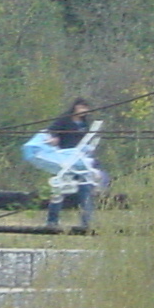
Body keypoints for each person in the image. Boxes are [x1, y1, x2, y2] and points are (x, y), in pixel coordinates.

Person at [43, 98, 96, 229]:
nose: (83, 110)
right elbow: (50, 132)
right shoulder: (64, 120)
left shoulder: (85, 125)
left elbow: (87, 142)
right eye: (81, 107)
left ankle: (86, 223)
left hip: (80, 162)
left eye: (86, 108)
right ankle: (52, 221)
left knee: (85, 190)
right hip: (64, 161)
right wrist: (54, 139)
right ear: (75, 107)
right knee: (59, 191)